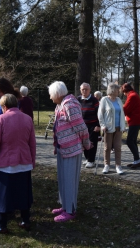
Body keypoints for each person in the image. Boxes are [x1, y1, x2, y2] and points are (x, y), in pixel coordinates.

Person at [0, 94, 36, 234]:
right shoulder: (27, 119)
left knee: (3, 195)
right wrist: (32, 161)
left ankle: (2, 225)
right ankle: (25, 220)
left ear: (4, 106)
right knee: (23, 193)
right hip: (24, 162)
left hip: (6, 163)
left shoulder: (0, 119)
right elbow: (32, 143)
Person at [49, 81, 91, 222]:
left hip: (72, 149)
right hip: (63, 148)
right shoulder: (60, 105)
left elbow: (81, 127)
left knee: (69, 180)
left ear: (57, 94)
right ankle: (65, 205)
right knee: (62, 178)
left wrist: (86, 143)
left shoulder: (69, 105)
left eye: (51, 95)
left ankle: (70, 210)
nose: (50, 98)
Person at [98, 83, 126, 174]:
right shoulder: (104, 100)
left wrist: (123, 126)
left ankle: (118, 166)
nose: (119, 92)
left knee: (118, 147)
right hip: (108, 128)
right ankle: (107, 165)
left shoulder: (118, 100)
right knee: (107, 147)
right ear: (113, 90)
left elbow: (122, 114)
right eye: (118, 90)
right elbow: (100, 114)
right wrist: (102, 125)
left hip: (118, 128)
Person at [77, 83, 100, 168]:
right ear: (80, 90)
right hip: (82, 125)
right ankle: (87, 158)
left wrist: (98, 125)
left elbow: (99, 114)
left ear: (90, 90)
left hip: (93, 125)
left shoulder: (94, 100)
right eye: (83, 89)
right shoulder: (78, 99)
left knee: (92, 143)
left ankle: (91, 160)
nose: (84, 91)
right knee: (84, 142)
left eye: (86, 89)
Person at [121, 83, 140, 169]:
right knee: (133, 141)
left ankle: (137, 160)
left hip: (135, 121)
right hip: (136, 121)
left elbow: (125, 109)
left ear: (126, 90)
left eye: (124, 92)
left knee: (129, 141)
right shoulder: (134, 94)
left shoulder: (132, 96)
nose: (123, 94)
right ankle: (136, 160)